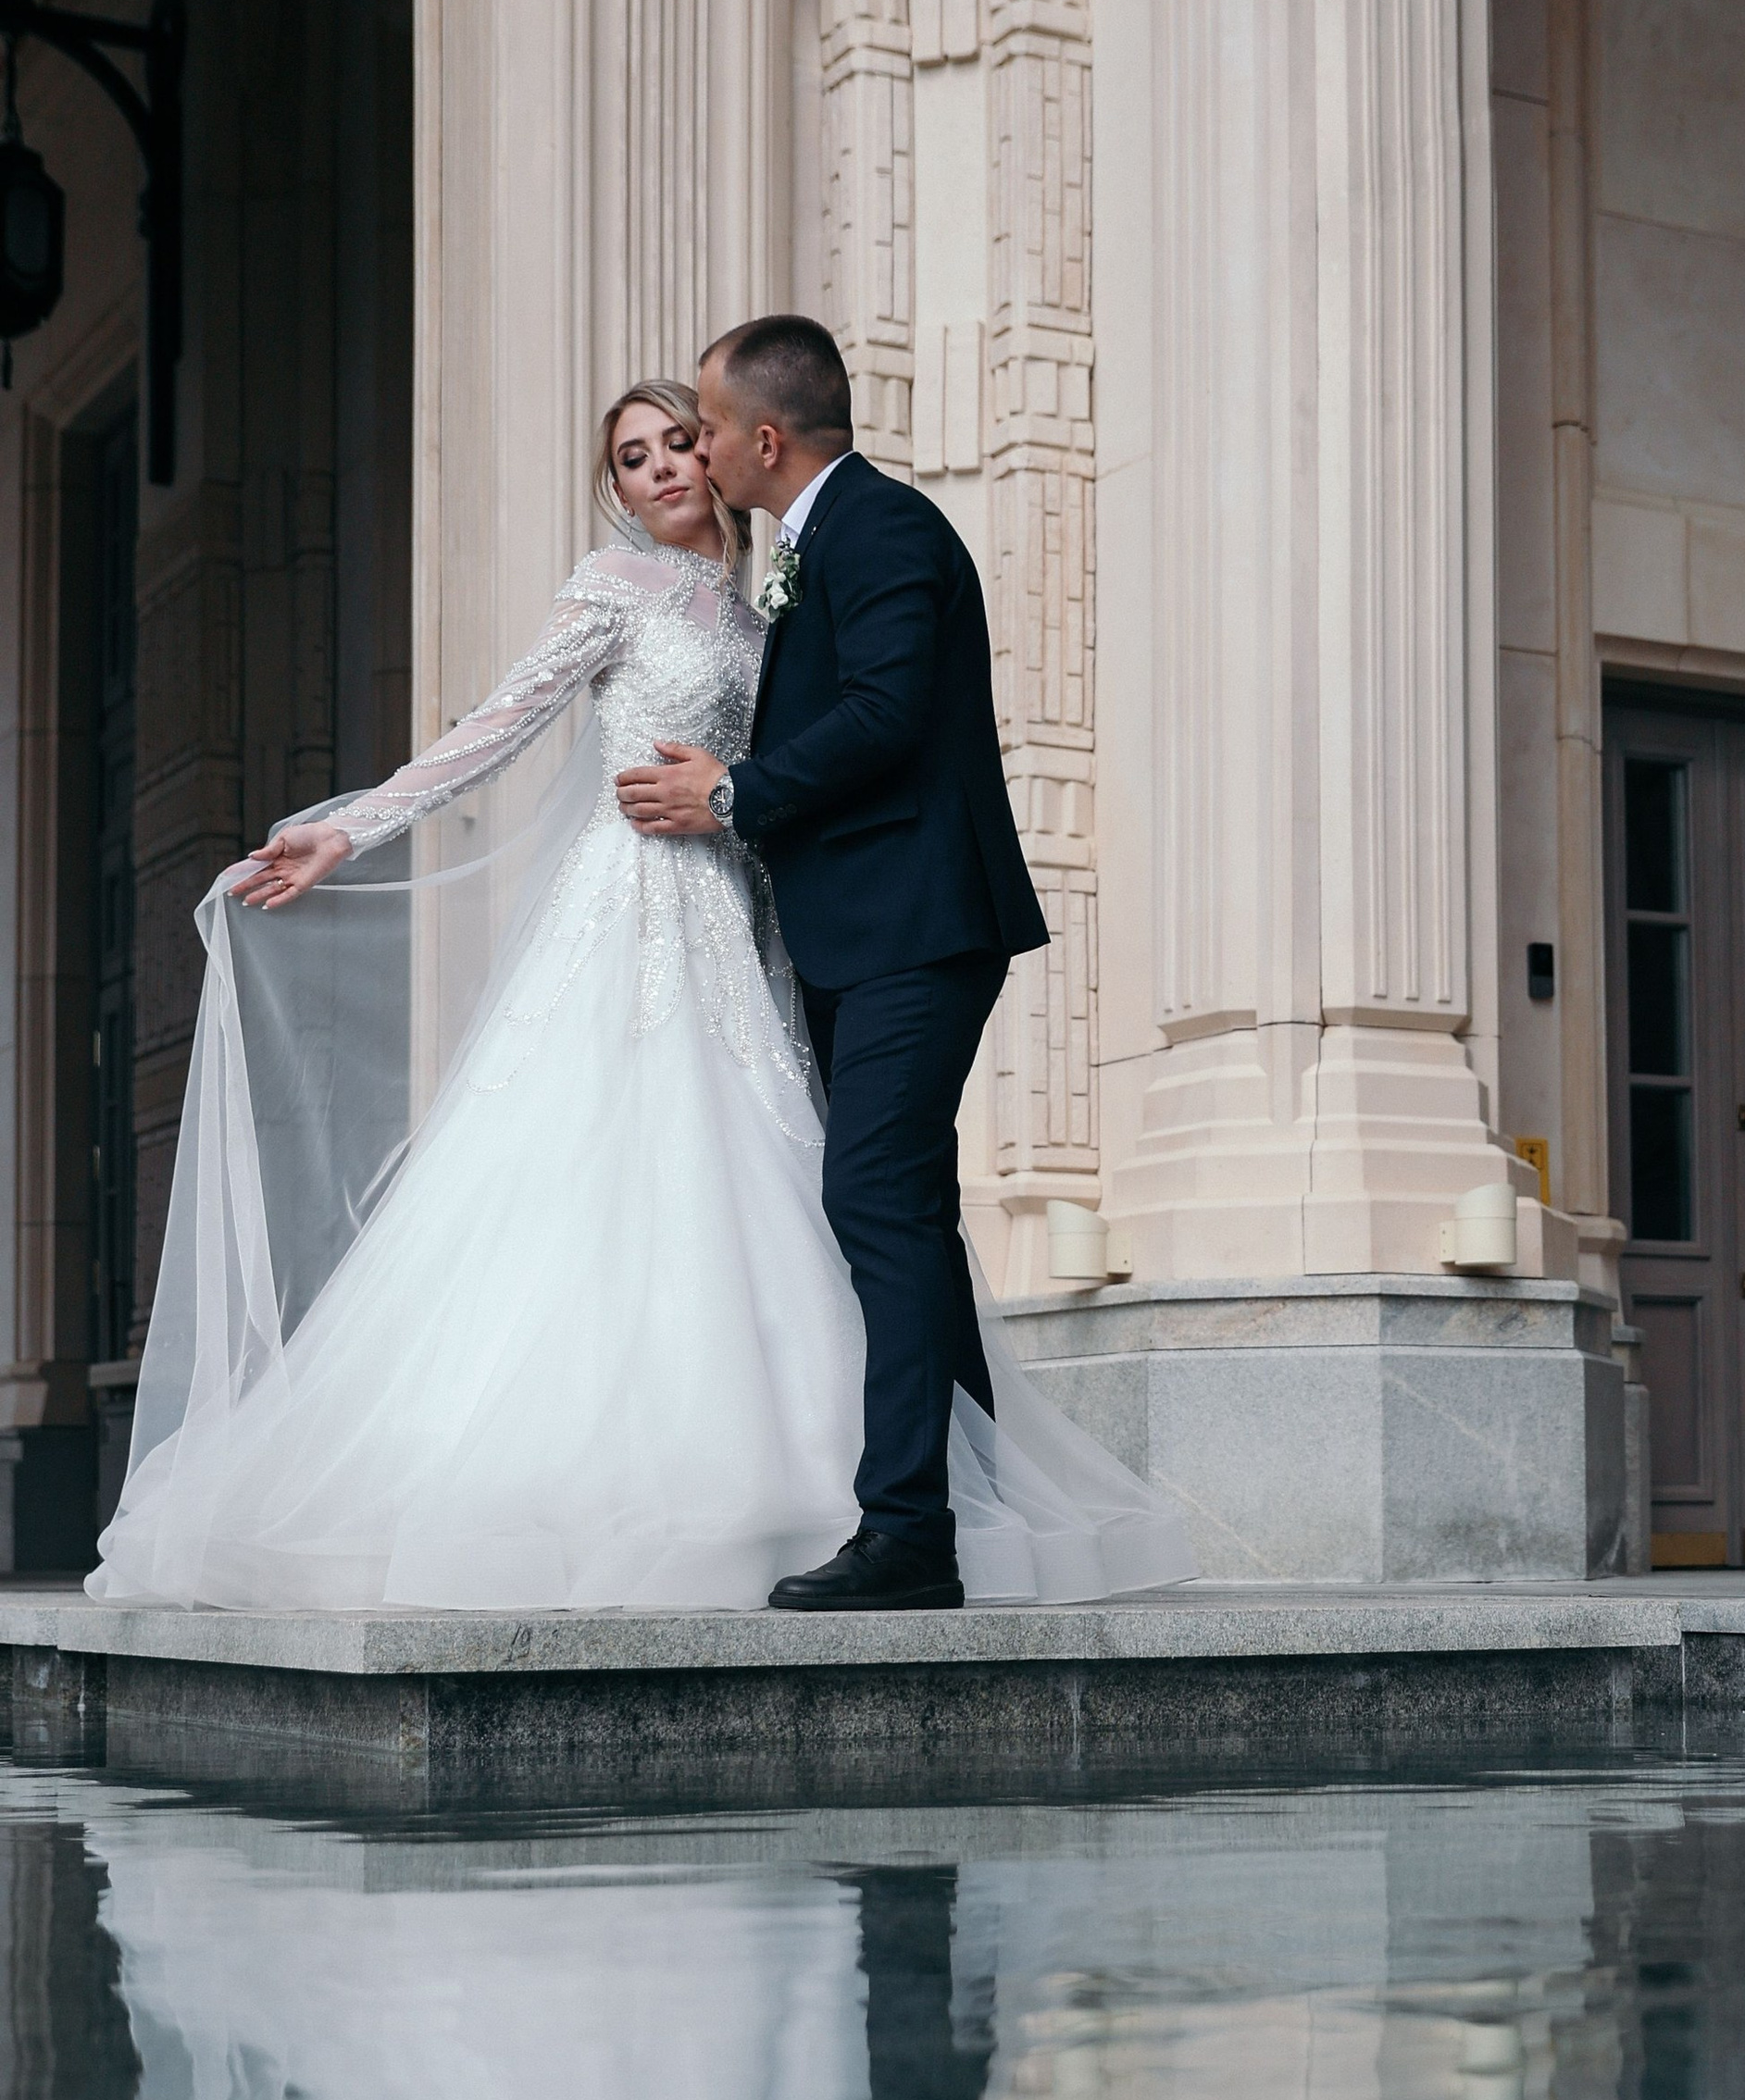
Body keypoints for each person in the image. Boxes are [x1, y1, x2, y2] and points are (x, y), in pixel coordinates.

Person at [88, 367, 1190, 1613]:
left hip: (743, 923)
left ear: (726, 455)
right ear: (611, 489)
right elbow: (497, 724)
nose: (666, 467)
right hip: (626, 913)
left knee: (802, 1184)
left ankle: (851, 1497)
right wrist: (357, 827)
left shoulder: (773, 598)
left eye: (680, 442)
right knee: (604, 1174)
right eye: (634, 457)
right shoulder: (613, 589)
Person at [617, 315, 1048, 1615]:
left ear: (763, 438)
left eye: (702, 423)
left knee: (874, 1200)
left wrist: (737, 793)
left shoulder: (883, 529)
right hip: (858, 930)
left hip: (919, 926)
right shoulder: (808, 550)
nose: (692, 445)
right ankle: (979, 1497)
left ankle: (911, 1532)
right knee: (904, 1205)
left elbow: (887, 712)